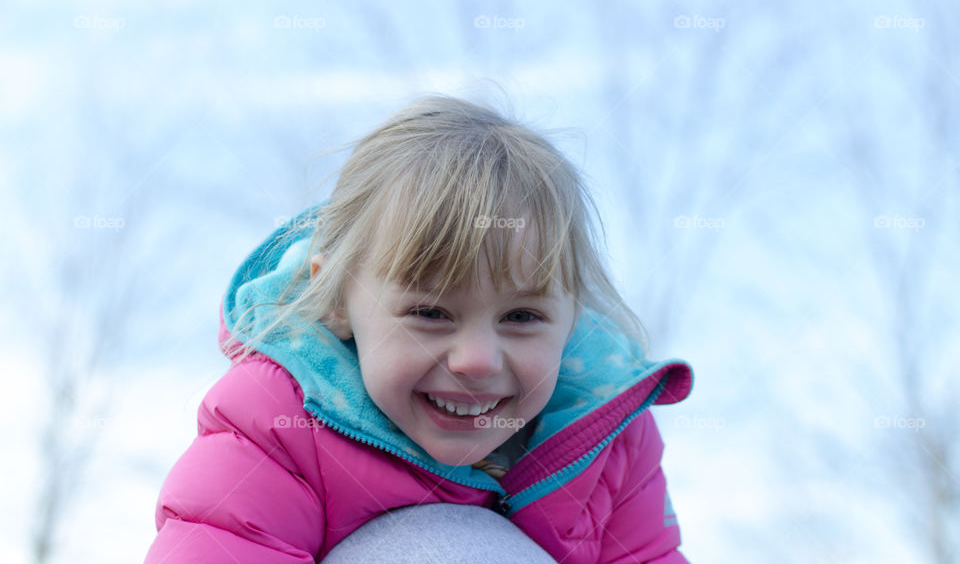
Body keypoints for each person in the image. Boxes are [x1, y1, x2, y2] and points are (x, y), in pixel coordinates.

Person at [144, 95, 694, 563]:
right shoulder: (279, 419)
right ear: (338, 301)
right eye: (430, 314)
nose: (477, 360)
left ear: (572, 317)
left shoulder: (611, 439)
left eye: (521, 317)